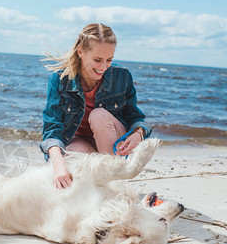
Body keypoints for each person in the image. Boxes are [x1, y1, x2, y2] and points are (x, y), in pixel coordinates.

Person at [40, 23, 152, 190]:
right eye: (97, 60)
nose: (103, 67)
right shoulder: (58, 80)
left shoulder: (122, 77)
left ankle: (112, 182)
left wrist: (138, 134)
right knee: (68, 159)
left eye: (109, 60)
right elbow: (52, 128)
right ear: (80, 52)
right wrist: (58, 165)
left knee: (98, 114)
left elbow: (135, 118)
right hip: (81, 143)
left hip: (113, 143)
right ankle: (101, 183)